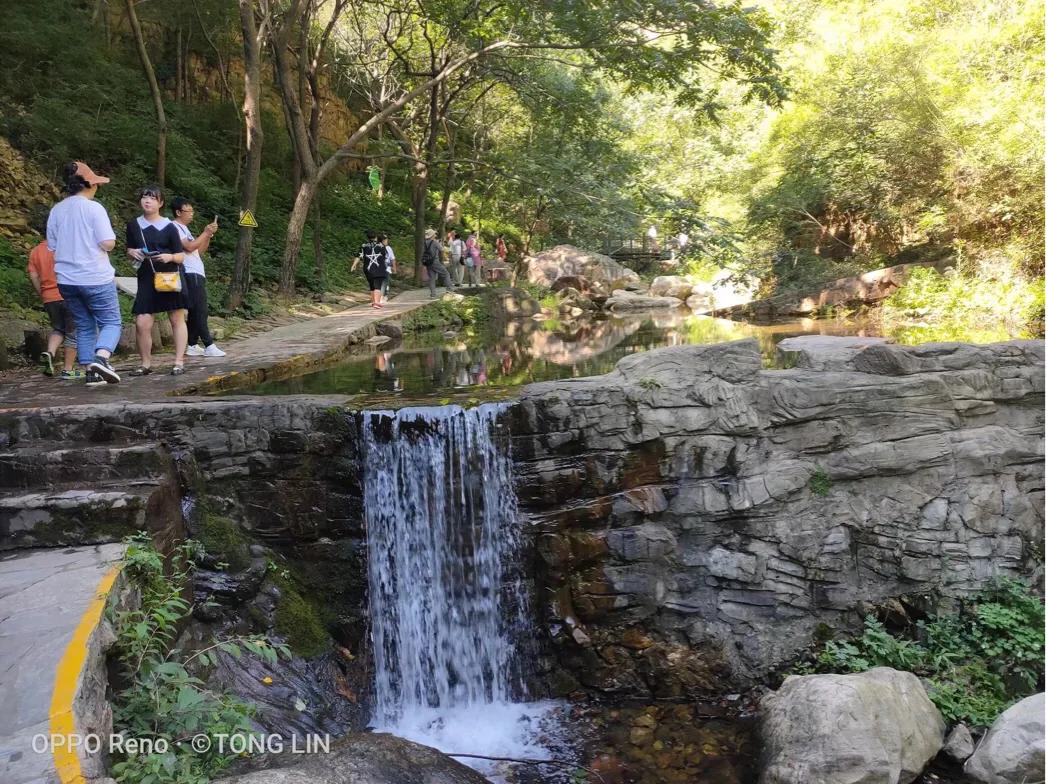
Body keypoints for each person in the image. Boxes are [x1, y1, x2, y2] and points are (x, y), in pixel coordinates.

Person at [46, 161, 121, 385]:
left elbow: (52, 245)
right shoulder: (93, 208)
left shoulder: (57, 210)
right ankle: (102, 358)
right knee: (111, 321)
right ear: (88, 184)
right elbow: (108, 243)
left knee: (84, 324)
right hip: (95, 276)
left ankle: (91, 370)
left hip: (66, 280)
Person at [126, 185, 189, 376]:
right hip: (147, 277)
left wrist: (169, 257)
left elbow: (181, 256)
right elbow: (128, 249)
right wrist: (132, 252)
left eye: (152, 198)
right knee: (142, 322)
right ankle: (145, 363)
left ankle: (178, 361)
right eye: (145, 197)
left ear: (160, 203)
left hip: (170, 277)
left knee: (176, 318)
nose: (147, 201)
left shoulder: (170, 227)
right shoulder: (133, 225)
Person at [27, 207, 78, 379]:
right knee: (73, 332)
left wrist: (42, 293)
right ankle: (68, 370)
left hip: (49, 297)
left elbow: (34, 276)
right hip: (68, 294)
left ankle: (49, 352)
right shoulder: (66, 247)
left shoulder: (35, 251)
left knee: (58, 329)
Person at [171, 198, 225, 358]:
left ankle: (192, 344)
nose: (192, 214)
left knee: (196, 311)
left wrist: (208, 235)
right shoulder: (174, 227)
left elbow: (198, 250)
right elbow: (188, 247)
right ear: (178, 212)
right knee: (200, 310)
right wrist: (205, 232)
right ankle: (209, 344)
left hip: (197, 272)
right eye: (189, 211)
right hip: (188, 272)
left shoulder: (185, 229)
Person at [351, 230, 388, 308]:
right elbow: (385, 256)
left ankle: (373, 301)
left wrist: (354, 265)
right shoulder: (381, 245)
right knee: (377, 285)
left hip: (368, 269)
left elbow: (359, 256)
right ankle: (376, 303)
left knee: (372, 285)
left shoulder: (364, 246)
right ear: (376, 237)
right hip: (379, 268)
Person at [422, 228, 454, 298]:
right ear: (432, 235)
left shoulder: (424, 242)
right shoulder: (434, 242)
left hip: (428, 262)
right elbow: (442, 249)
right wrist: (440, 244)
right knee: (446, 274)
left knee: (432, 278)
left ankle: (433, 294)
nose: (435, 235)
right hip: (435, 262)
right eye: (434, 234)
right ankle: (450, 290)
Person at [379, 234, 397, 303]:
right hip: (386, 267)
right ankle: (383, 297)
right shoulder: (388, 248)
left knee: (382, 282)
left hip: (378, 267)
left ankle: (382, 296)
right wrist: (394, 268)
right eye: (386, 240)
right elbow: (393, 259)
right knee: (385, 282)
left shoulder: (376, 247)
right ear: (383, 241)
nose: (387, 241)